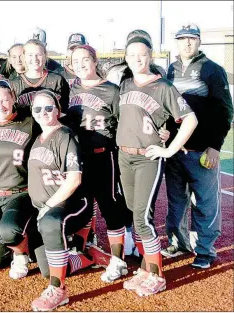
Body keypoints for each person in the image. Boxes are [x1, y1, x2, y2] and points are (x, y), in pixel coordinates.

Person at [117, 34, 198, 297]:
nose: (137, 58)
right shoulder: (126, 83)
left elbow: (189, 120)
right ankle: (145, 266)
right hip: (124, 156)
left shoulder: (163, 86)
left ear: (150, 56)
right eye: (132, 54)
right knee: (134, 213)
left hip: (147, 159)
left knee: (143, 219)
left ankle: (157, 274)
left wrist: (169, 148)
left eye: (142, 54)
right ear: (126, 58)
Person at [28, 90, 107, 311]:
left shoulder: (65, 136)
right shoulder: (37, 139)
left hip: (72, 204)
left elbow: (74, 180)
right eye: (37, 109)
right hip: (48, 206)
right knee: (47, 267)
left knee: (50, 223)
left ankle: (58, 290)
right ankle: (89, 257)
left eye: (48, 108)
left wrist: (47, 207)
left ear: (58, 110)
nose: (42, 112)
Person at [163, 23, 233, 269]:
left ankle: (205, 249)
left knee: (205, 203)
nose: (187, 43)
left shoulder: (212, 70)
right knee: (176, 201)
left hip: (202, 152)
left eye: (192, 39)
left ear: (199, 41)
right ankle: (179, 243)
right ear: (177, 42)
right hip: (175, 151)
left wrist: (215, 146)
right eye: (182, 39)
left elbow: (225, 111)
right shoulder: (170, 71)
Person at [67, 44, 136, 282]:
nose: (81, 65)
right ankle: (81, 249)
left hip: (103, 156)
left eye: (85, 60)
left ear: (95, 62)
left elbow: (125, 123)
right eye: (76, 62)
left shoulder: (112, 91)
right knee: (80, 205)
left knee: (109, 206)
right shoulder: (70, 88)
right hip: (77, 158)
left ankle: (118, 261)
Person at [0, 80, 38, 279]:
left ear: (13, 98)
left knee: (8, 231)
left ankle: (22, 253)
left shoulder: (30, 123)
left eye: (5, 100)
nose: (0, 106)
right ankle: (22, 239)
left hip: (19, 194)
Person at [10, 39, 69, 115]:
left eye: (39, 54)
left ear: (45, 56)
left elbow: (64, 110)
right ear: (24, 57)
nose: (35, 58)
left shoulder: (57, 80)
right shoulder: (14, 83)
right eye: (30, 55)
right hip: (25, 126)